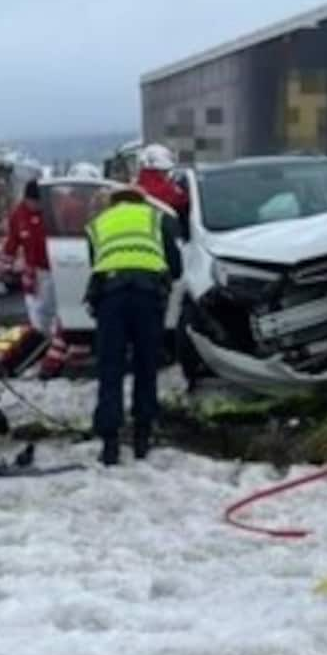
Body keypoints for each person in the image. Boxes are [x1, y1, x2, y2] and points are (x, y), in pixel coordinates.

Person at [85, 187, 182, 466]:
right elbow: (176, 267)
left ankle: (110, 444)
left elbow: (96, 265)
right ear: (142, 201)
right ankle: (142, 436)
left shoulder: (97, 224)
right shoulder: (155, 219)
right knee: (145, 364)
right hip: (147, 295)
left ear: (112, 204)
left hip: (111, 297)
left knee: (110, 367)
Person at [2, 179, 55, 337]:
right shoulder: (18, 215)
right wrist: (7, 267)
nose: (35, 206)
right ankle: (40, 338)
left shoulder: (52, 211)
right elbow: (12, 242)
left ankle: (55, 338)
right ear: (26, 199)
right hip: (35, 270)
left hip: (56, 267)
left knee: (56, 309)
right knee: (36, 309)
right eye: (33, 202)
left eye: (38, 202)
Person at [137, 144, 190, 239]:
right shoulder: (160, 187)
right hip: (164, 235)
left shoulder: (139, 185)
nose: (167, 174)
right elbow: (181, 200)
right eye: (166, 171)